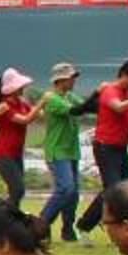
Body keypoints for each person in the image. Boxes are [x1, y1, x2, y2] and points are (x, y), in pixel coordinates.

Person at [36, 65, 86, 243]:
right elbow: (76, 111)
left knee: (73, 193)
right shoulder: (53, 99)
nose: (74, 81)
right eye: (71, 78)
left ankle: (68, 229)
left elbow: (84, 106)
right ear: (61, 80)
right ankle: (40, 225)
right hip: (57, 150)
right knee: (66, 188)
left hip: (71, 150)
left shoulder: (69, 96)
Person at [89, 61, 128, 198]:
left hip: (120, 147)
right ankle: (94, 219)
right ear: (124, 74)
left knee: (122, 188)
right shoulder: (110, 91)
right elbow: (119, 107)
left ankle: (88, 220)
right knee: (115, 189)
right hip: (106, 146)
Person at [0, 71, 34, 220]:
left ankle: (11, 222)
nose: (23, 88)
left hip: (16, 154)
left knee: (16, 192)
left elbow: (37, 114)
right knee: (18, 190)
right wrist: (42, 103)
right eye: (20, 86)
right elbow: (24, 120)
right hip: (3, 153)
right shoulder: (5, 105)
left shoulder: (22, 102)